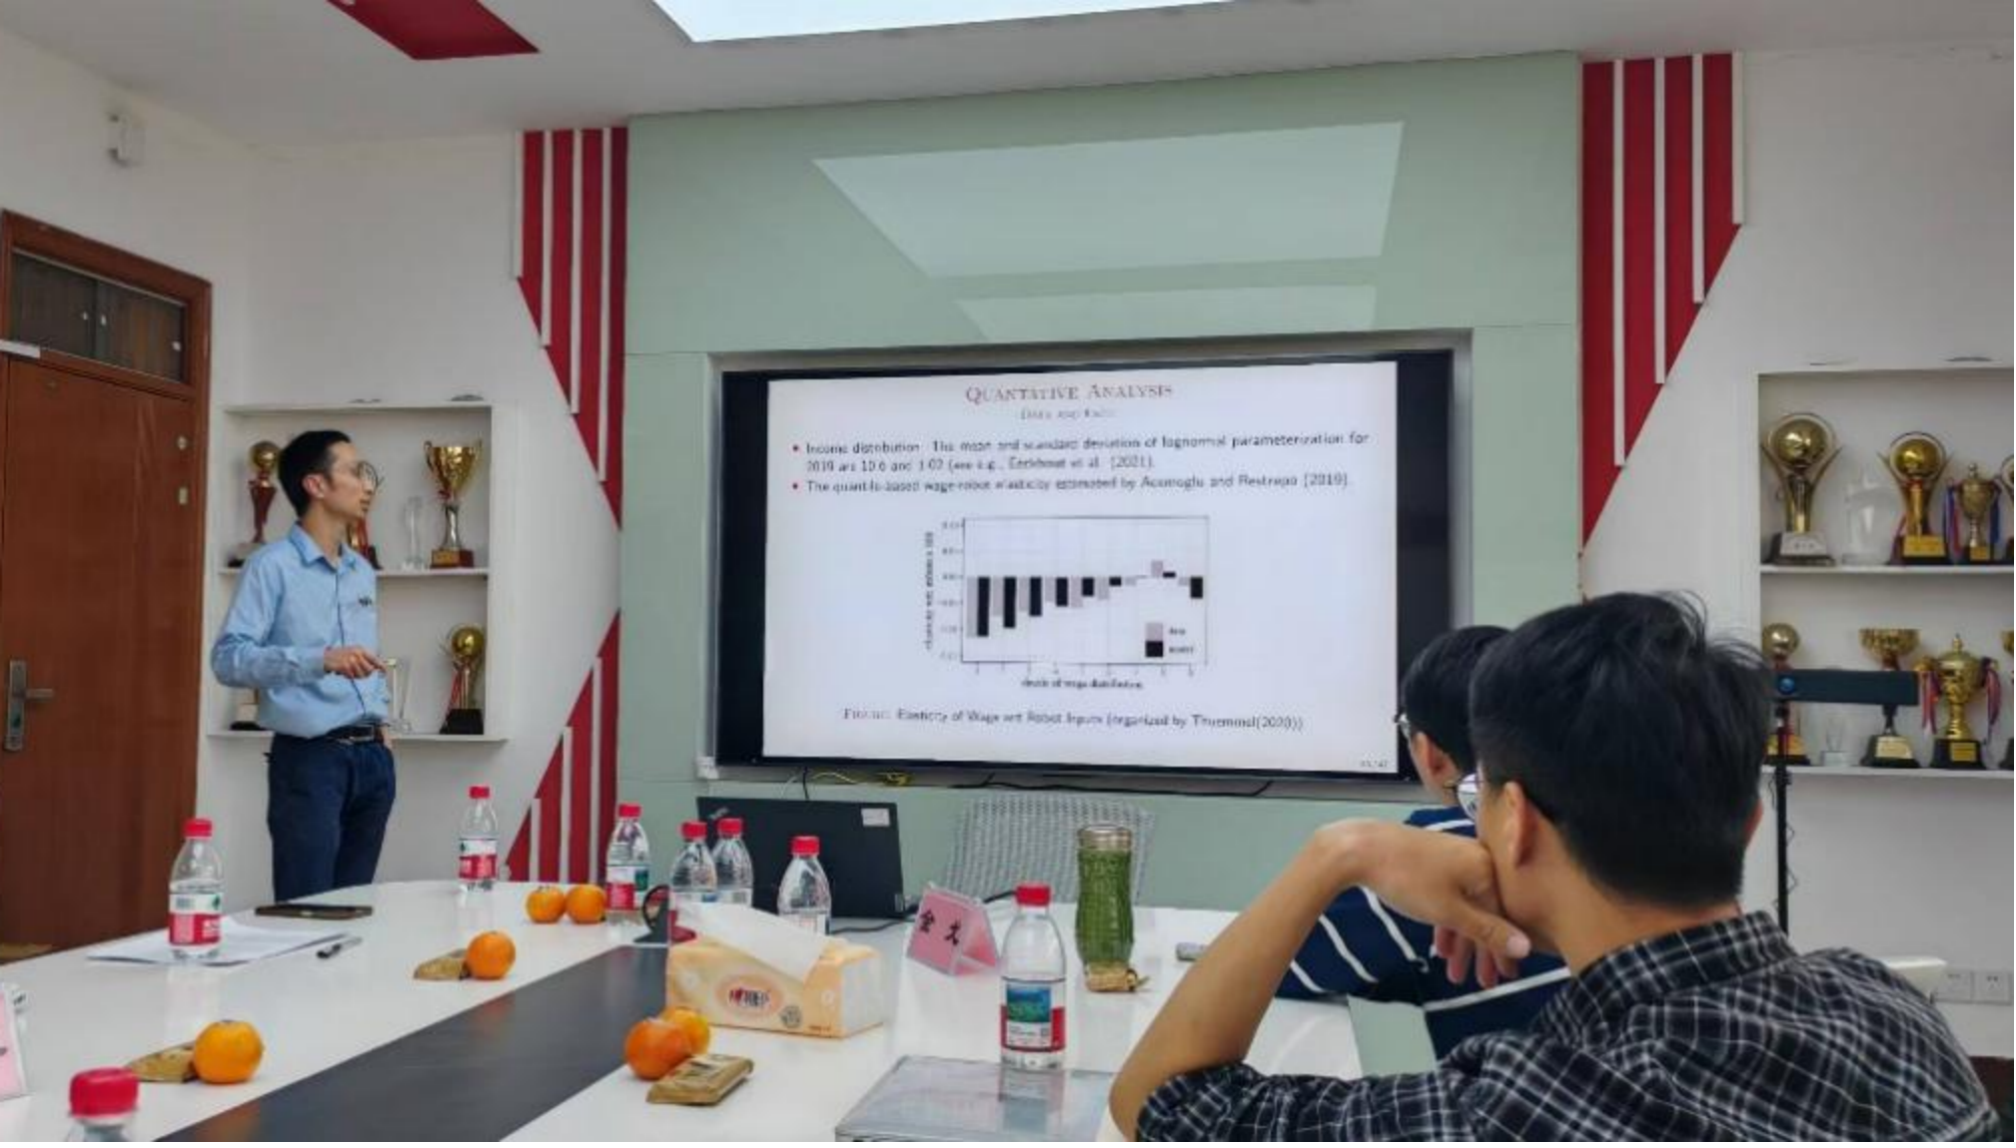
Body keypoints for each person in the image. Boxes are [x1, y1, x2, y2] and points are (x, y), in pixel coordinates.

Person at [1114, 593, 1998, 1142]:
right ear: (1751, 823)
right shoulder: (1888, 1008)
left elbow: (1160, 1103)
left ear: (1514, 821)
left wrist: (1336, 853)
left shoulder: (1529, 1106)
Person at [1278, 626, 1566, 1057]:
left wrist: (1340, 851)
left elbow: (1270, 967)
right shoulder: (1583, 836)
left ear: (1429, 753)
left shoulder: (1428, 852)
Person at [212, 431, 395, 903]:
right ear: (316, 485)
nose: (367, 485)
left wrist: (382, 725)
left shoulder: (361, 571)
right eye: (355, 472)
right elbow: (228, 659)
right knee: (305, 911)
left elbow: (367, 658)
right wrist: (319, 660)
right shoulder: (270, 566)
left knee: (355, 911)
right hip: (310, 761)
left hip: (373, 761)